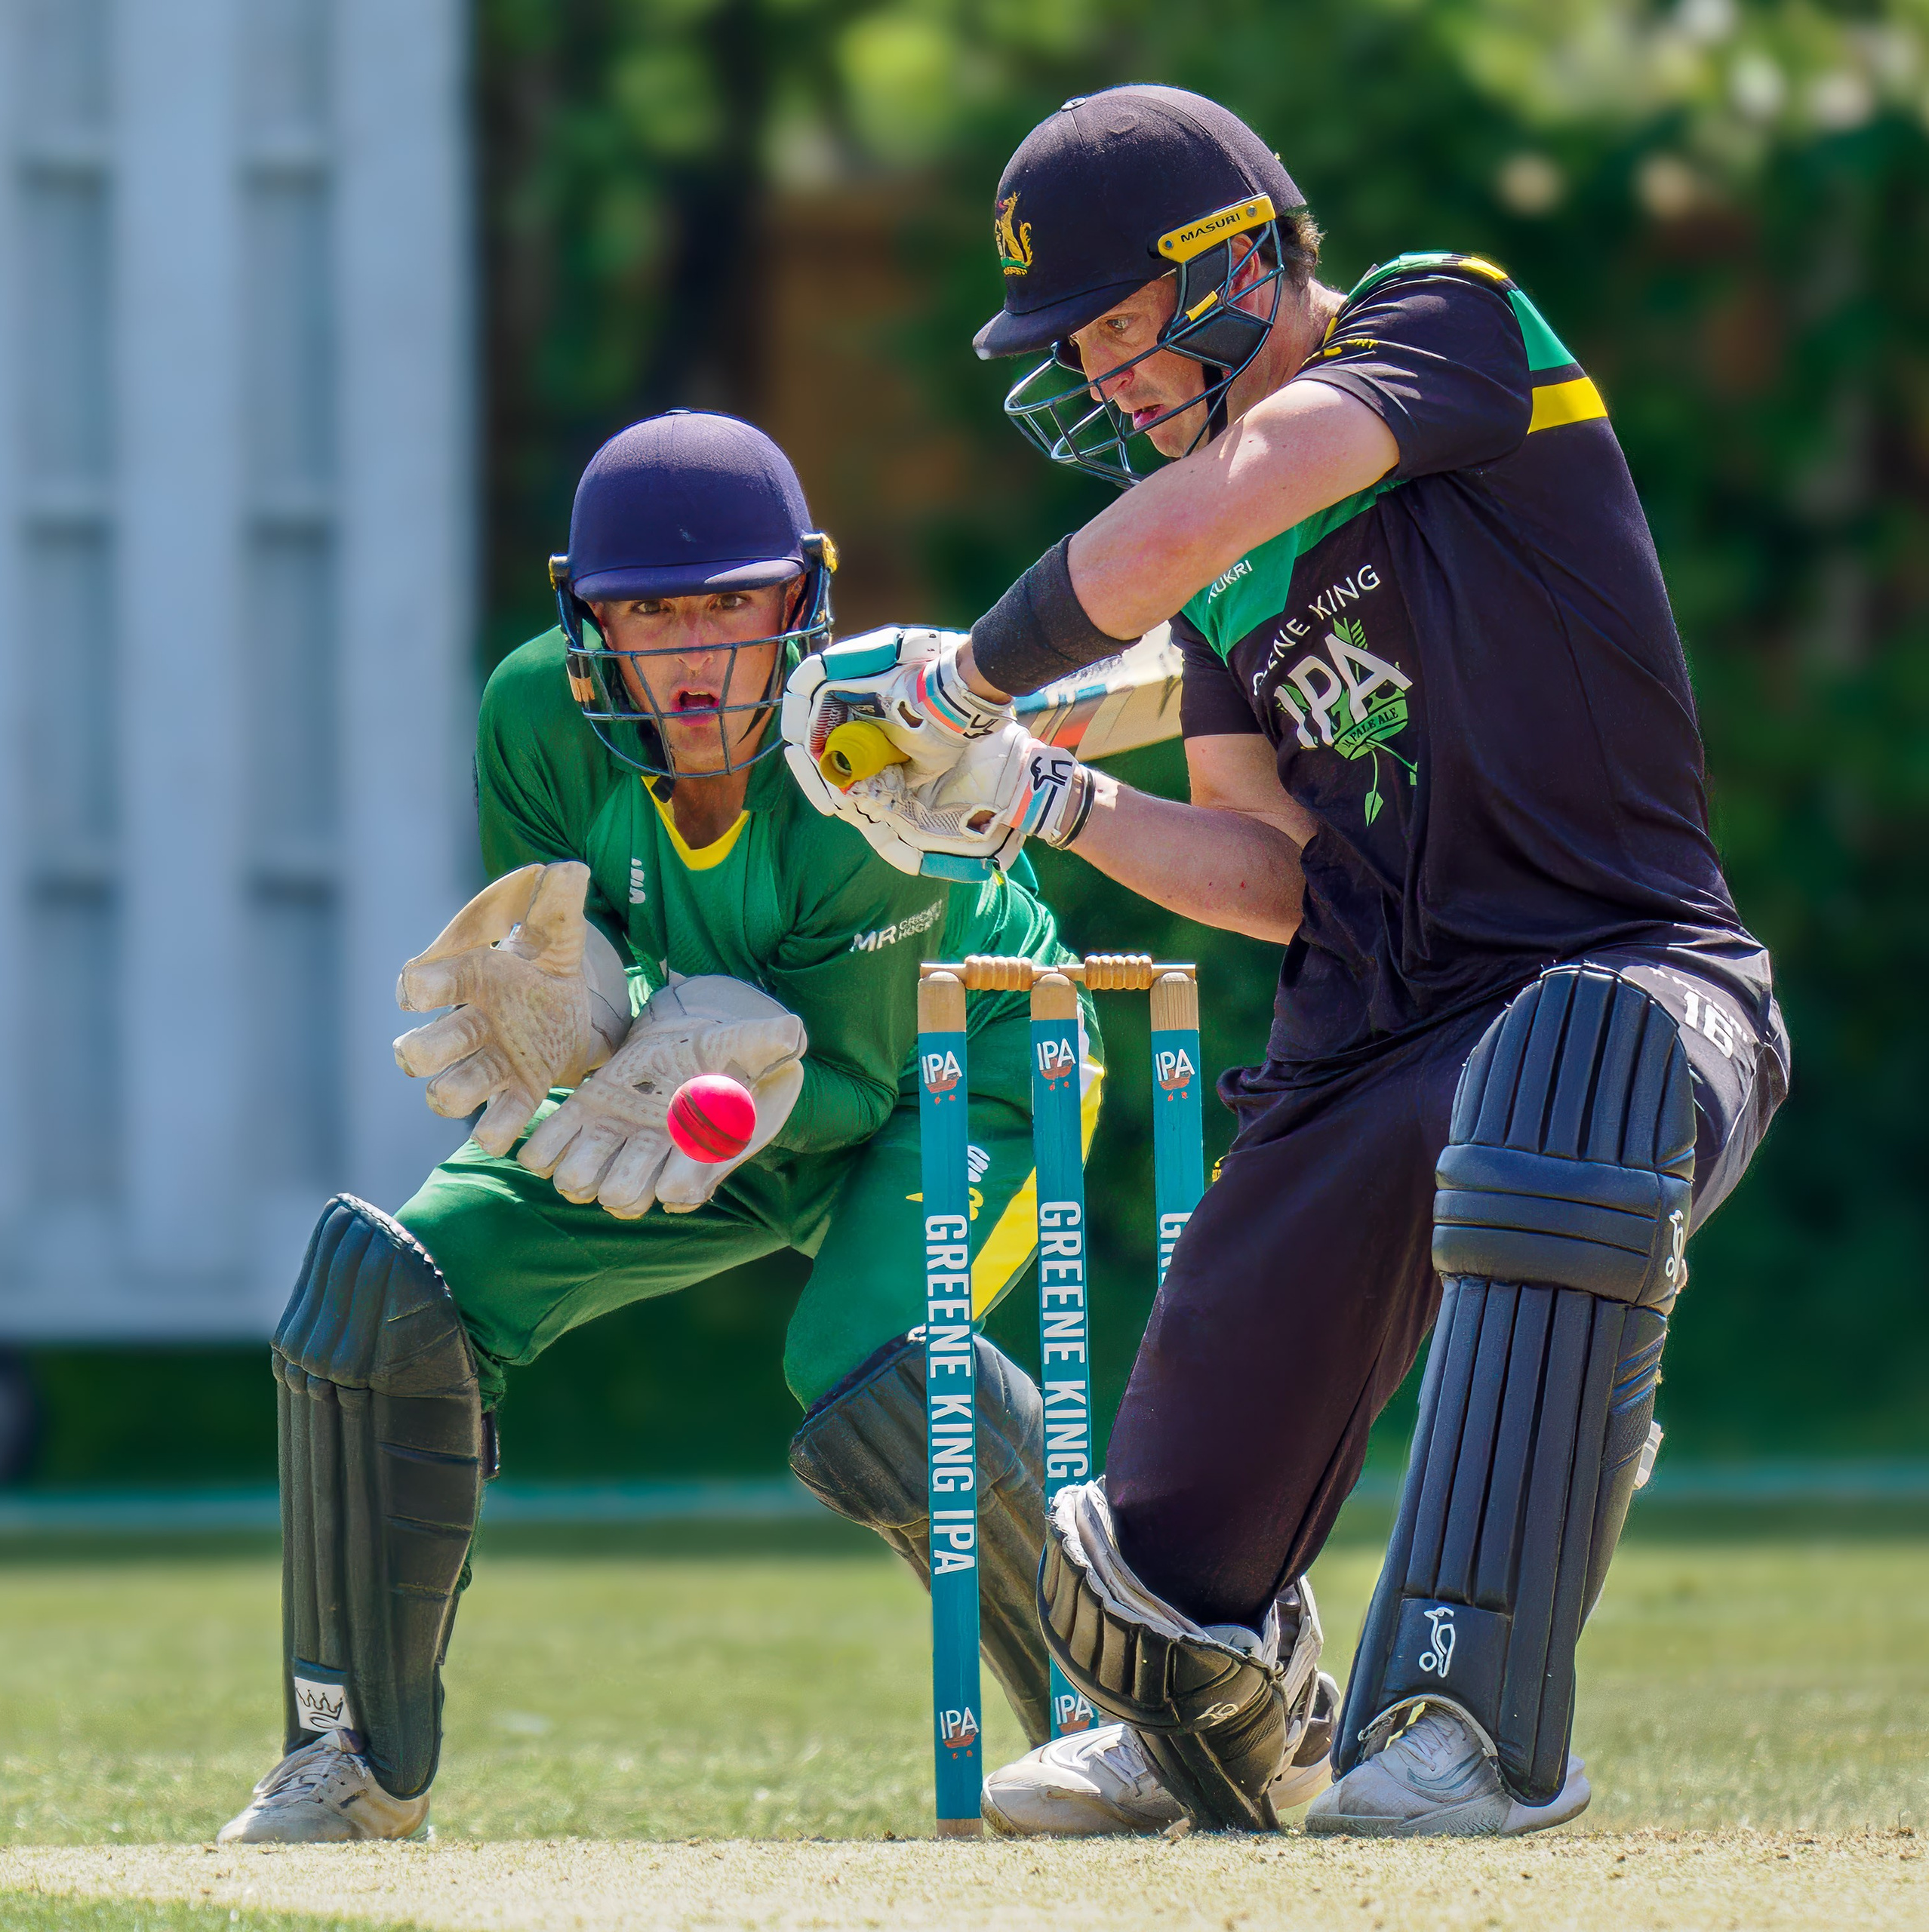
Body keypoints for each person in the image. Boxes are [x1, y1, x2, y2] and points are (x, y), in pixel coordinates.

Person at [783, 87, 1791, 1839]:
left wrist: (959, 691)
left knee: (1567, 1072)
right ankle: (1227, 1718)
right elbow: (1275, 877)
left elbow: (1201, 513)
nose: (1097, 377)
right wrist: (1031, 796)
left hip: (1637, 980)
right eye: (1070, 345)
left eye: (1110, 325)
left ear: (1240, 263)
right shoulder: (1215, 589)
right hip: (1376, 1038)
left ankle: (1472, 1724)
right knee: (1136, 1586)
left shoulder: (1451, 328)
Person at [217, 410, 1102, 1842]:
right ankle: (350, 1762)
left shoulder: (862, 764)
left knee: (867, 1362)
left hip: (961, 1061)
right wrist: (590, 1022)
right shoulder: (530, 715)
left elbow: (854, 1095)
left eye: (727, 606)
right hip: (680, 1099)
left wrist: (696, 1061)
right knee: (384, 1296)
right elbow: (581, 947)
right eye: (649, 613)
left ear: (800, 603)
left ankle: (1118, 1715)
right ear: (589, 624)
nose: (691, 653)